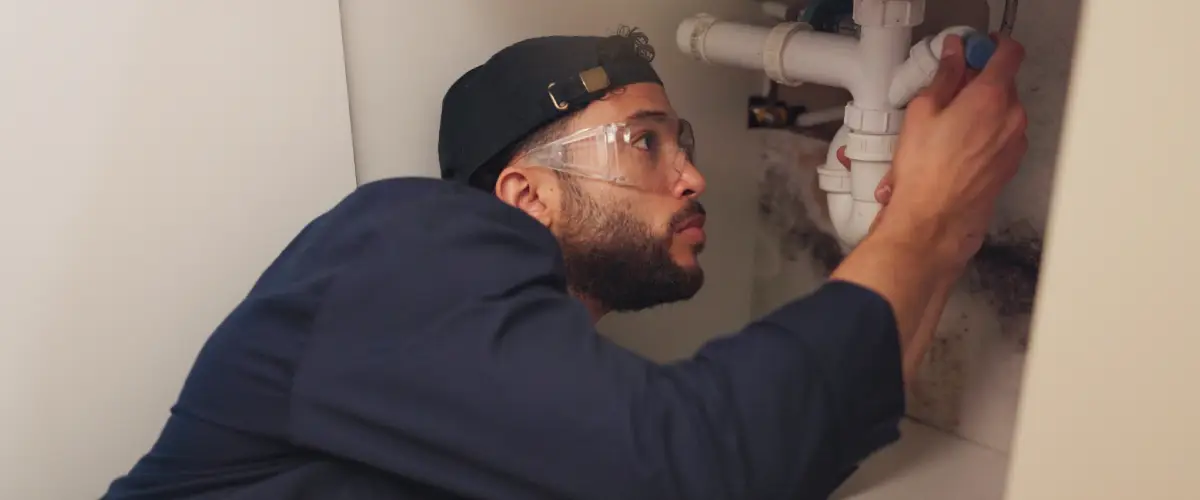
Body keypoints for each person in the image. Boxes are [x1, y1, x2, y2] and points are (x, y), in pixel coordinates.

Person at [103, 27, 1026, 500]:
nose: (693, 175)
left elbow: (783, 456)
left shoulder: (503, 388)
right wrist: (923, 220)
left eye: (683, 140)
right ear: (524, 194)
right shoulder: (398, 235)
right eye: (646, 141)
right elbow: (696, 462)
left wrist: (945, 235)